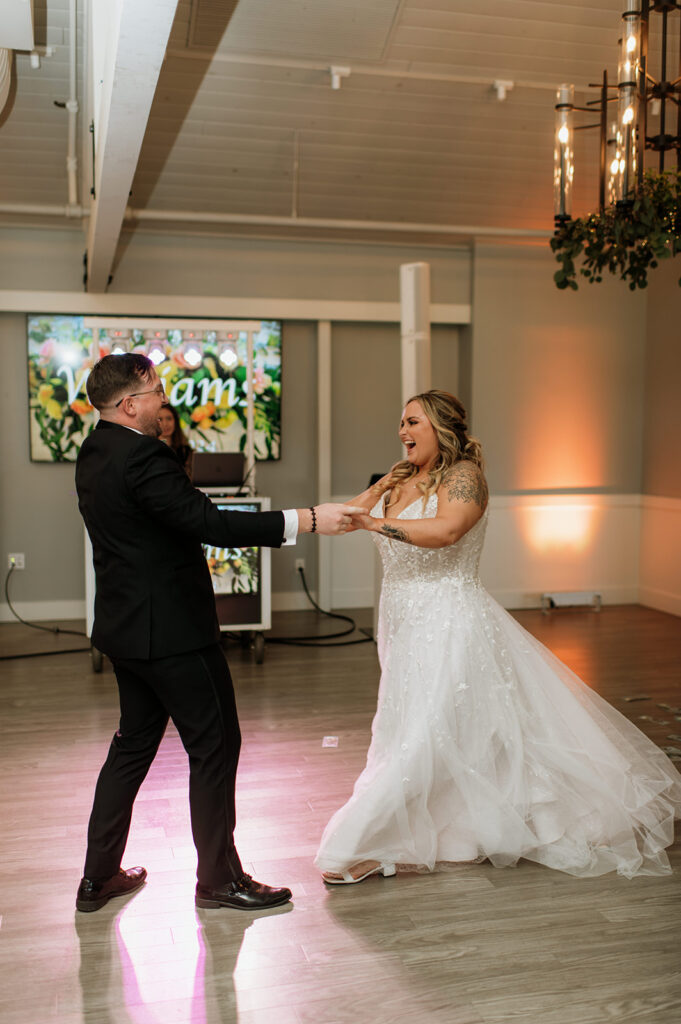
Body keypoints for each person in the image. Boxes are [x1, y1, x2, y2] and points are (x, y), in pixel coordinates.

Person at [315, 389, 681, 884]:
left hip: (450, 619)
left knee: (428, 731)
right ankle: (458, 831)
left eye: (413, 422)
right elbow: (343, 519)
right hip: (402, 622)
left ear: (442, 427)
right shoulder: (399, 478)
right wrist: (339, 506)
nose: (402, 432)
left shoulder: (465, 476)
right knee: (412, 728)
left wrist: (376, 519)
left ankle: (361, 845)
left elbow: (447, 532)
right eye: (400, 423)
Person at [75, 353, 362, 913]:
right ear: (129, 404)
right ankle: (218, 880)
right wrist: (304, 520)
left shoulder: (94, 453)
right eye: (155, 389)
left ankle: (98, 878)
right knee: (215, 748)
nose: (164, 399)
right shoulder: (145, 458)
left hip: (126, 632)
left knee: (131, 749)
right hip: (175, 636)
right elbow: (211, 523)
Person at [157, 403, 193, 473]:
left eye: (169, 418)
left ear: (175, 421)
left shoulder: (186, 451)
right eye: (160, 419)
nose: (165, 424)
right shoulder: (149, 450)